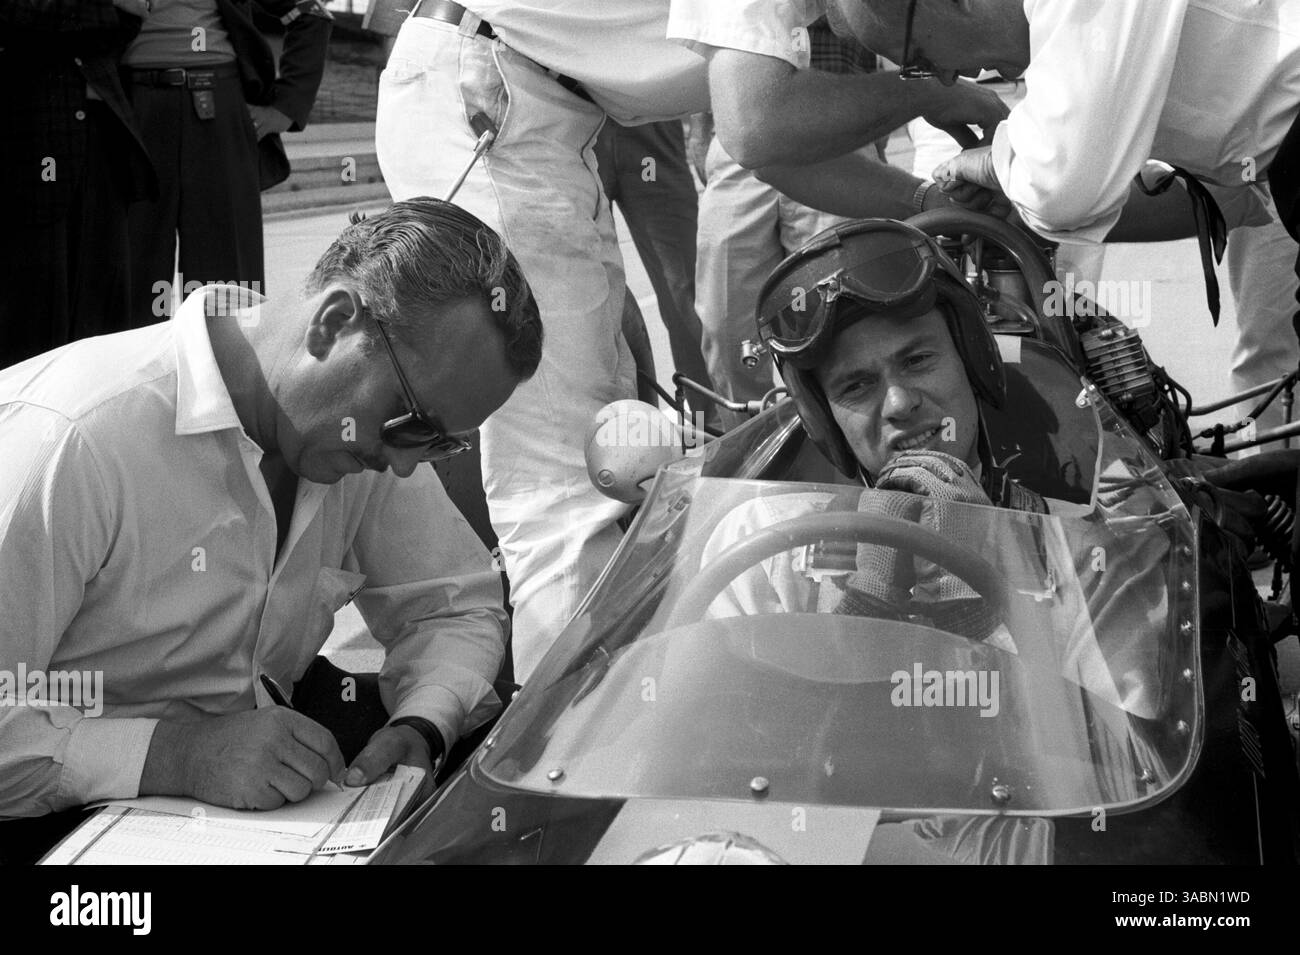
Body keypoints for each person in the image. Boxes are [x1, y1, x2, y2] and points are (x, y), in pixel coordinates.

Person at [375, 0, 1008, 679]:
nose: (927, 53)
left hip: (532, 106)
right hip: (492, 97)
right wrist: (932, 90)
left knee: (602, 465)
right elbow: (760, 126)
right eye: (928, 38)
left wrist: (925, 202)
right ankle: (565, 753)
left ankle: (605, 714)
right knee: (559, 488)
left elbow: (776, 154)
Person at [0, 200, 540, 843]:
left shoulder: (358, 437)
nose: (403, 465)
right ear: (334, 323)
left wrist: (421, 725)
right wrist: (178, 756)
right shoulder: (74, 437)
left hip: (259, 782)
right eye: (414, 425)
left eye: (440, 446)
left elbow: (452, 606)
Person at [122, 0, 332, 320]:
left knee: (227, 285)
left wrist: (286, 107)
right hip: (130, 113)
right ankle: (140, 364)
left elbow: (309, 13)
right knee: (131, 273)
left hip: (219, 111)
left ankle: (226, 365)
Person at [0, 0, 156, 368]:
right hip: (26, 138)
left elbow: (129, 20)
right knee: (30, 319)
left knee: (103, 313)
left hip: (100, 137)